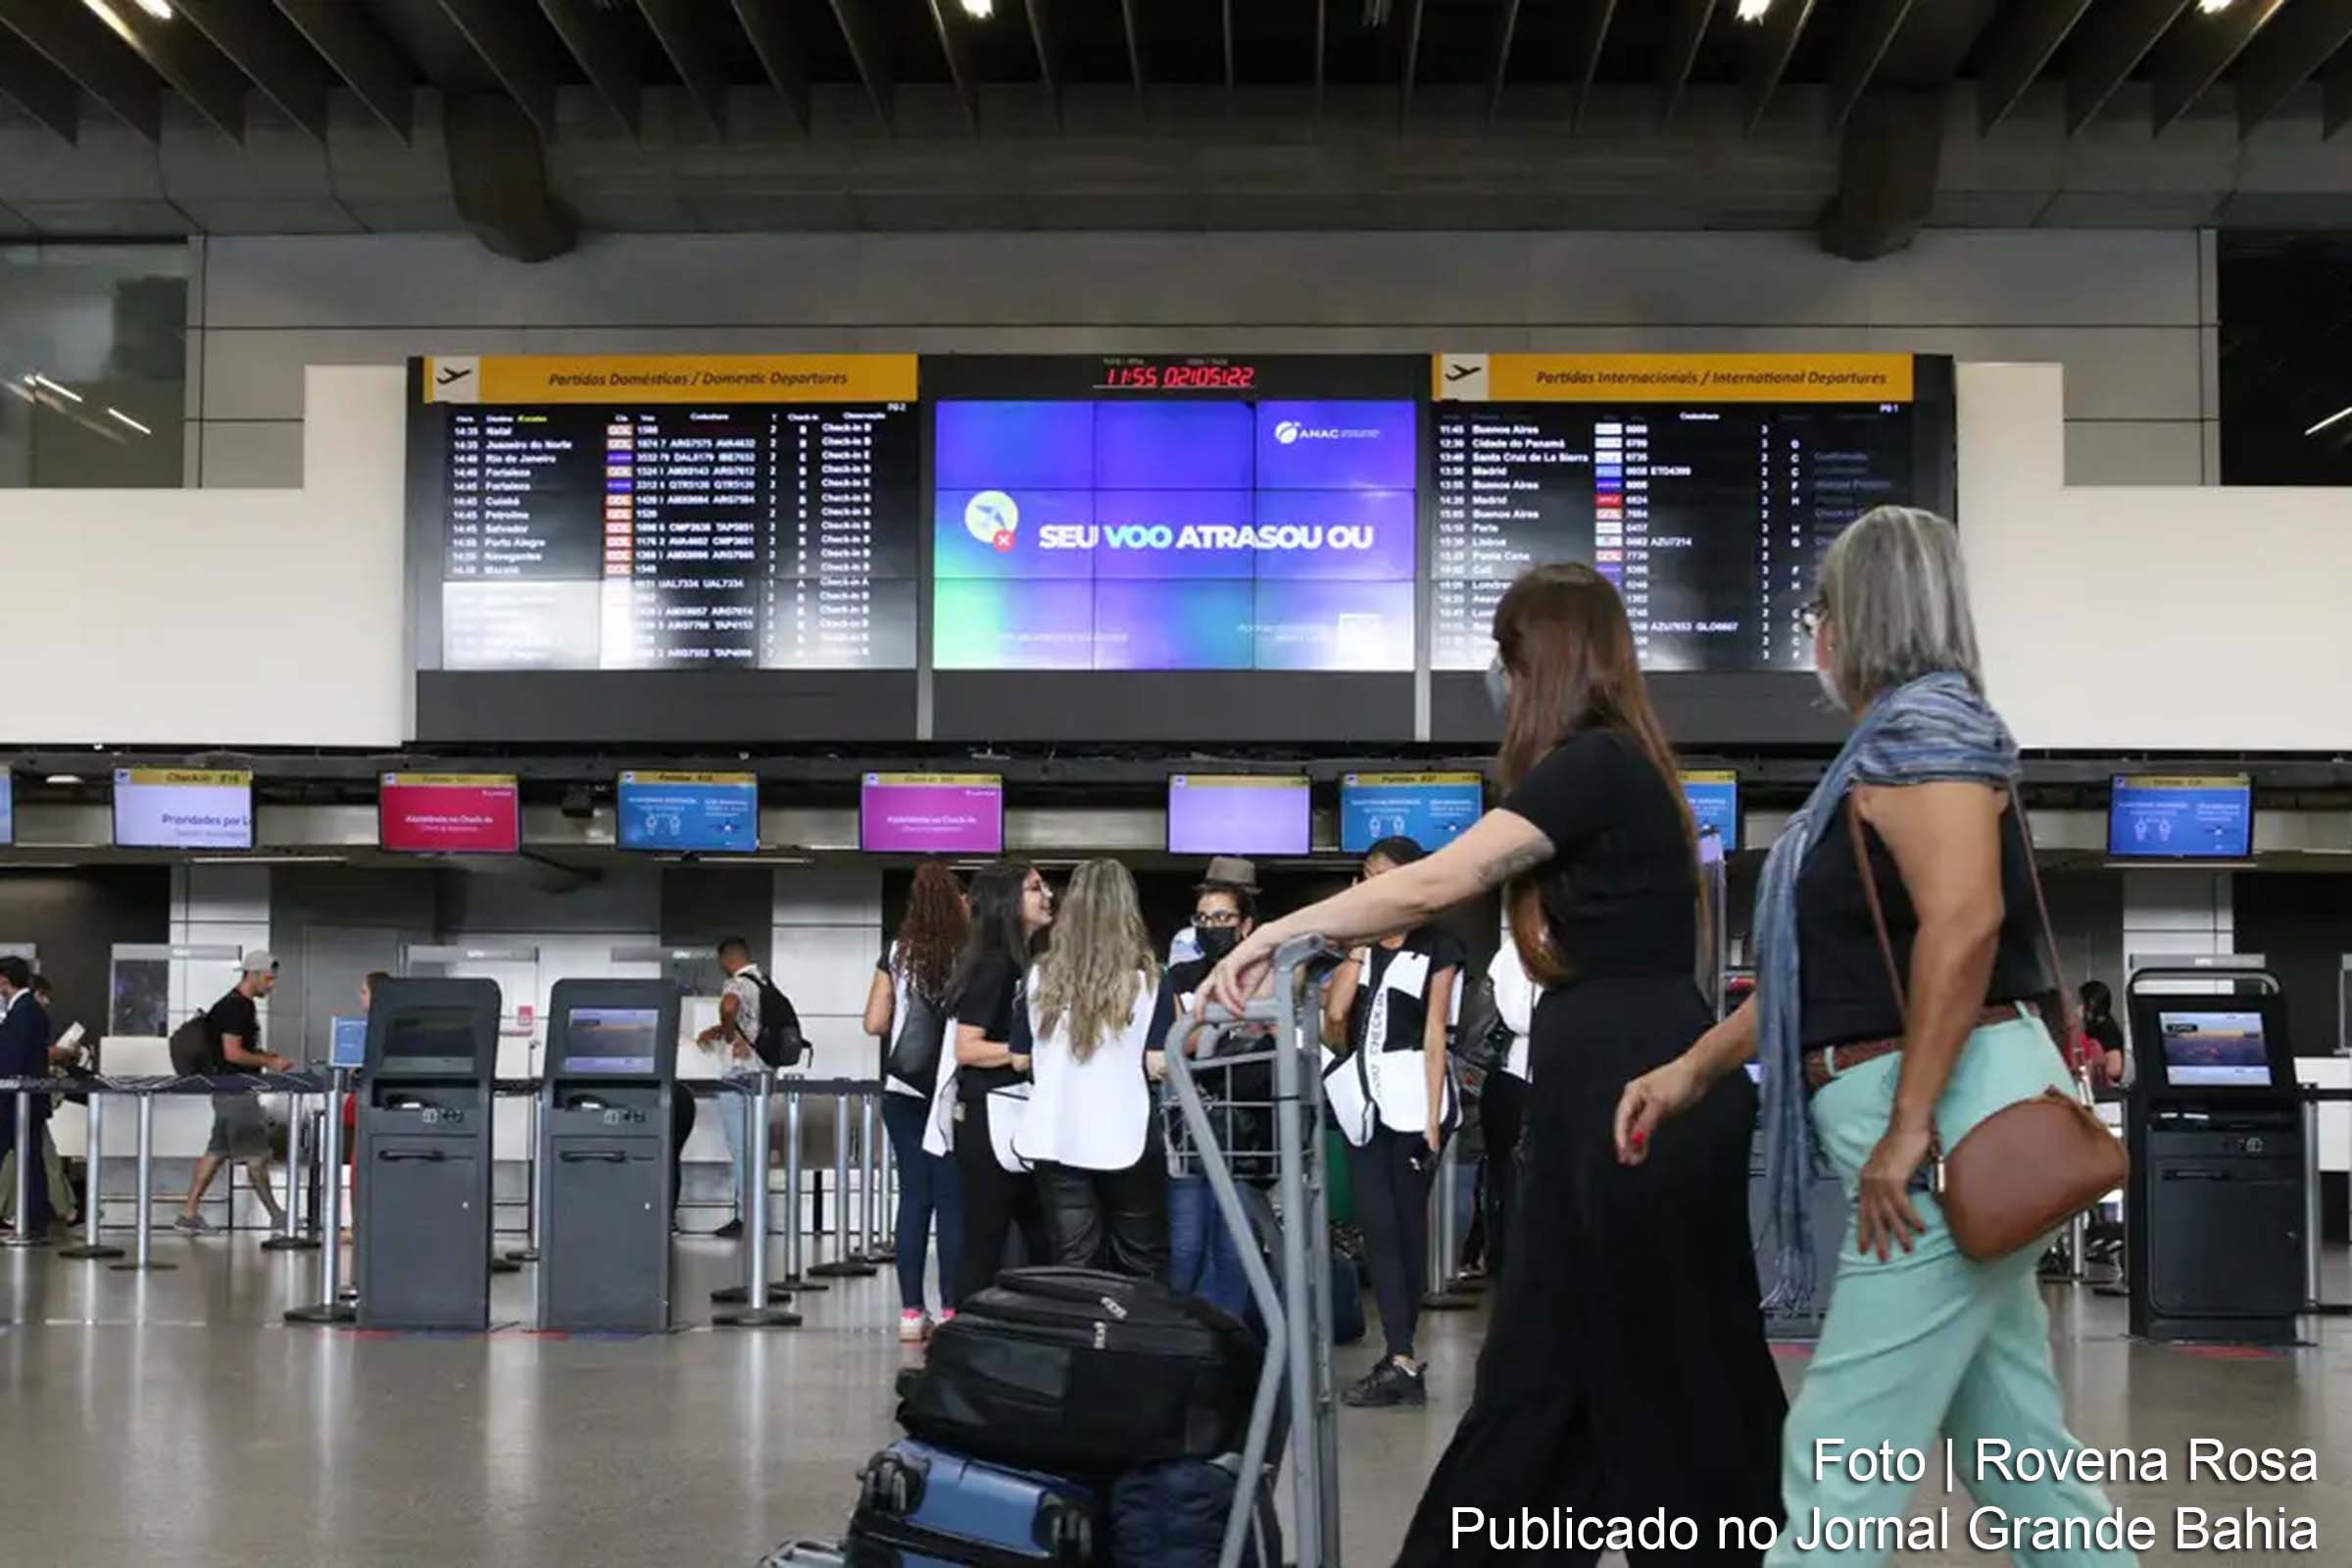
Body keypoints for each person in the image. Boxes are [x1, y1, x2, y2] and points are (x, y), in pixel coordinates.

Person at [1203, 562, 1785, 1563]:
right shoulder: (1624, 766)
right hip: (1621, 1079)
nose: (1498, 681)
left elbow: (1444, 875)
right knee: (1602, 1371)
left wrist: (1275, 933)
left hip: (1626, 1086)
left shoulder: (1596, 763)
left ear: (1543, 662)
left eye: (1508, 657)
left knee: (1629, 1377)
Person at [1616, 507, 2135, 1568]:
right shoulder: (1897, 741)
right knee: (2017, 1453)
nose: (1816, 633)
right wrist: (1691, 1068)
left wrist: (1906, 1132)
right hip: (1959, 1119)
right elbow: (1835, 981)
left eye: (1821, 610)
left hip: (1944, 1137)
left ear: (1862, 614)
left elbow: (1965, 919)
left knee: (1840, 1446)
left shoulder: (1924, 733)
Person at [1320, 836, 1464, 1408]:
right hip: (1363, 1102)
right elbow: (1334, 1019)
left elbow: (1434, 1034)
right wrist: (1356, 946)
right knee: (1378, 1225)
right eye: (1366, 873)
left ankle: (1402, 1355)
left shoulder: (1440, 946)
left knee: (1404, 1227)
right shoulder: (1360, 948)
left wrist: (1431, 1120)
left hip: (1414, 1101)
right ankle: (1400, 1354)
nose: (1371, 881)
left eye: (1382, 873)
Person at [1012, 858, 1169, 1281]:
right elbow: (1158, 1063)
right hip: (1127, 1134)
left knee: (1074, 1263)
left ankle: (1082, 1345)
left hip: (1055, 1133)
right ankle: (1135, 1344)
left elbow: (1020, 1058)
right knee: (1142, 1263)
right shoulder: (1149, 980)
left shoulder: (1038, 976)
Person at [1150, 872, 1271, 1319]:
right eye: (1203, 918)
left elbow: (1273, 1036)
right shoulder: (1179, 974)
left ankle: (1230, 1349)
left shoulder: (1266, 974)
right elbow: (1174, 1043)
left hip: (1248, 1127)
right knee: (1185, 1246)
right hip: (1186, 1128)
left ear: (1245, 925)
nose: (1212, 925)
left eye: (1222, 916)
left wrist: (1203, 1032)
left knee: (1235, 1244)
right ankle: (1189, 1344)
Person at [864, 861, 969, 1339]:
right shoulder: (971, 953)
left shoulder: (895, 953)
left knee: (914, 1197)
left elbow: (874, 1023)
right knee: (952, 1200)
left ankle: (910, 1314)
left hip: (904, 1090)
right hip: (952, 1089)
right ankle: (951, 1309)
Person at [946, 860, 1054, 1305]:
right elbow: (966, 1047)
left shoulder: (1024, 962)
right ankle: (964, 1337)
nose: (1047, 895)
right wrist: (1022, 1055)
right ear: (1008, 903)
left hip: (1007, 1115)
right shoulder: (997, 965)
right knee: (986, 1238)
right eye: (1034, 888)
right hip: (991, 1118)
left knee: (1028, 1233)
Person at [178, 953, 293, 1236]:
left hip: (224, 1089)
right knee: (257, 1158)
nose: (271, 986)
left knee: (216, 1152)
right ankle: (278, 1217)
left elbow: (232, 1052)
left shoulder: (238, 1006)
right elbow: (232, 1053)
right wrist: (270, 1063)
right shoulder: (235, 1008)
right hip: (236, 1092)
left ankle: (188, 1214)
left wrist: (261, 1055)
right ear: (252, 975)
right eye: (268, 979)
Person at [1464, 935, 1535, 1281]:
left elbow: (1481, 1022)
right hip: (1539, 1076)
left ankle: (1504, 1259)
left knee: (1504, 1178)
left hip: (1506, 1078)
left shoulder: (1506, 954)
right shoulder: (1571, 945)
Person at [694, 937, 770, 1240]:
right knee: (756, 1148)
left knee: (742, 1149)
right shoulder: (763, 982)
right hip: (760, 1074)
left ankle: (745, 1217)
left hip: (738, 1075)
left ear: (726, 959)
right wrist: (723, 1029)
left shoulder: (736, 982)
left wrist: (726, 1034)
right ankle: (756, 1215)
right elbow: (749, 1023)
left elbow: (729, 1007)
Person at [1, 975, 79, 1231]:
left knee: (36, 1156)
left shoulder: (22, 1013)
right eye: (43, 995)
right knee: (37, 1156)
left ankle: (38, 1213)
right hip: (22, 1098)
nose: (46, 1001)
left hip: (21, 1099)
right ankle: (47, 1212)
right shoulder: (25, 1013)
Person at [0, 957, 56, 1235]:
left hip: (15, 1099)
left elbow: (13, 1057)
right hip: (27, 1100)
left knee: (29, 1157)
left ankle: (34, 1217)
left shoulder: (23, 1011)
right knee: (31, 1157)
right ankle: (35, 1217)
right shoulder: (27, 1009)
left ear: (4, 979)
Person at [2081, 978, 2126, 1102]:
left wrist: (2095, 1069)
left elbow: (2115, 1068)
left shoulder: (2106, 1028)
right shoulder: (2096, 1026)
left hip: (2105, 1093)